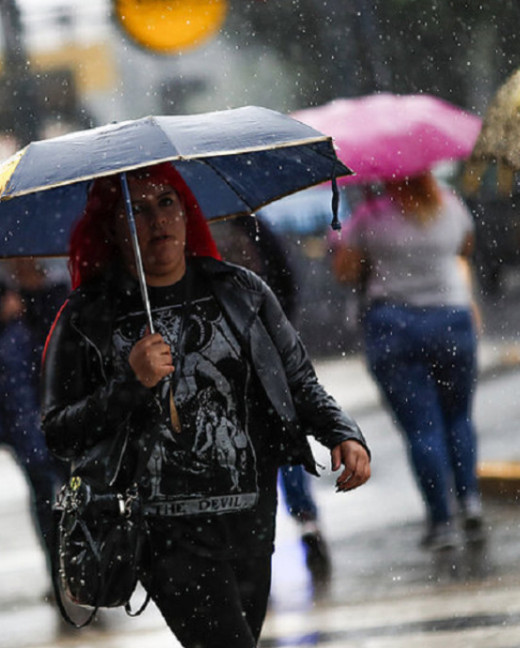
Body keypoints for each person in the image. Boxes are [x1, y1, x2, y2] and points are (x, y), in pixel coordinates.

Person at [41, 162, 371, 647]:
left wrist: (342, 431)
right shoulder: (87, 318)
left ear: (186, 211)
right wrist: (130, 383)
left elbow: (297, 380)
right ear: (113, 227)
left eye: (166, 203)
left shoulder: (240, 291)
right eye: (137, 210)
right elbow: (57, 431)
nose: (157, 220)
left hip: (251, 517)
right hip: (163, 534)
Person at [331, 171, 484, 551]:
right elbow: (465, 247)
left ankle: (442, 522)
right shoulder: (451, 206)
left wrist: (356, 245)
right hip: (451, 317)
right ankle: (469, 501)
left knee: (422, 429)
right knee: (458, 419)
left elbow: (345, 271)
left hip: (394, 327)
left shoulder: (370, 217)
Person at [213, 216, 331, 582]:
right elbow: (285, 281)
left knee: (234, 447)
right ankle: (305, 521)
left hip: (218, 357)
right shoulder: (250, 223)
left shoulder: (186, 235)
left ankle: (248, 538)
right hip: (262, 351)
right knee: (283, 436)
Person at [0, 258, 70, 595]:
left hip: (65, 410)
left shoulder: (60, 292)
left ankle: (87, 562)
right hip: (21, 417)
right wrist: (0, 314)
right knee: (42, 495)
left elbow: (69, 341)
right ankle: (57, 570)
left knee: (76, 489)